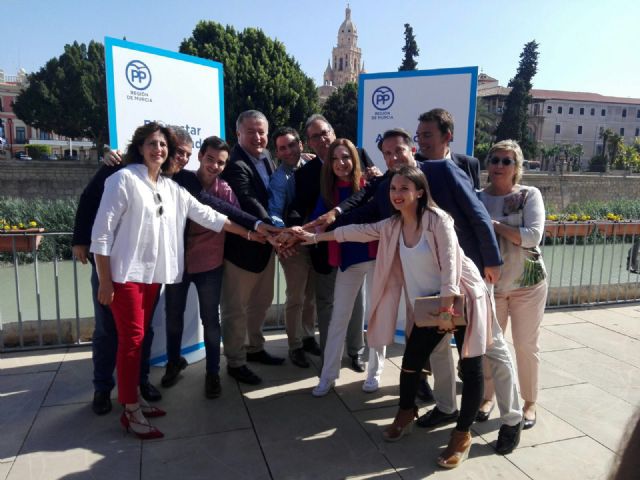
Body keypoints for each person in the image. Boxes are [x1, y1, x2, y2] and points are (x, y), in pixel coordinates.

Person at [314, 128, 523, 454]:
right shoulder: (390, 199)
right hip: (428, 297)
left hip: (462, 292)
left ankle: (512, 419)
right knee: (434, 354)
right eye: (387, 154)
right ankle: (444, 407)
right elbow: (360, 223)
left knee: (491, 353)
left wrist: (487, 265)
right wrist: (317, 232)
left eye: (399, 151)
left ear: (411, 150)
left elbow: (474, 218)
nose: (394, 158)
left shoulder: (439, 181)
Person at [294, 165, 490, 468]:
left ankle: (462, 434)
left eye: (404, 189)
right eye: (393, 189)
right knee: (411, 363)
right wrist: (317, 238)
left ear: (420, 192)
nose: (397, 194)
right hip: (429, 304)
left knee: (471, 364)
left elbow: (450, 264)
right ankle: (406, 411)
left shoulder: (438, 221)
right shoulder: (393, 225)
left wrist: (447, 307)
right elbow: (356, 232)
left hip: (461, 298)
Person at [90, 122, 260, 439]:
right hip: (124, 277)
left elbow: (210, 215)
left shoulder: (171, 188)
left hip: (152, 278)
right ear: (140, 147)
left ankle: (133, 399)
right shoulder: (123, 179)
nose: (159, 149)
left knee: (137, 342)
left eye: (164, 145)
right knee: (132, 343)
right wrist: (105, 281)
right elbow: (100, 235)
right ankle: (130, 411)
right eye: (153, 143)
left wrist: (253, 231)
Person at [162, 136, 251, 398]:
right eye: (210, 159)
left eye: (221, 163)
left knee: (211, 321)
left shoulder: (224, 190)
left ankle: (212, 373)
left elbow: (235, 218)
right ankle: (172, 363)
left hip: (210, 264)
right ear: (200, 156)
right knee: (173, 316)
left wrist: (261, 231)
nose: (214, 166)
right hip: (178, 262)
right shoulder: (179, 180)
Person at [285, 114, 370, 371]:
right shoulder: (306, 172)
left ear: (332, 132)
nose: (321, 139)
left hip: (357, 247)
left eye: (324, 133)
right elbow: (300, 208)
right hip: (324, 247)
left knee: (357, 302)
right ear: (309, 143)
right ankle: (329, 353)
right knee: (325, 302)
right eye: (314, 136)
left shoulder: (360, 155)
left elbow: (372, 192)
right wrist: (292, 229)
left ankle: (356, 351)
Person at [478, 139, 548, 431]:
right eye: (495, 159)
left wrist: (493, 225)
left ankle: (529, 402)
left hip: (527, 284)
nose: (499, 166)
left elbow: (532, 236)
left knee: (525, 345)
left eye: (507, 161)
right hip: (491, 286)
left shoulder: (530, 195)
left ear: (516, 167)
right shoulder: (478, 197)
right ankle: (487, 397)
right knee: (490, 346)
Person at [219, 110, 283, 386]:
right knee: (235, 309)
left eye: (262, 132)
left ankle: (254, 348)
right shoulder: (234, 163)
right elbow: (246, 199)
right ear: (238, 134)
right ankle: (236, 361)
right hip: (242, 249)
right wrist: (272, 227)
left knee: (261, 302)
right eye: (251, 132)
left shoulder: (267, 157)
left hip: (265, 247)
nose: (258, 137)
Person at [309, 139, 377, 396]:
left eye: (346, 157)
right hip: (348, 261)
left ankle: (375, 373)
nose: (341, 163)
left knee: (375, 317)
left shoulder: (369, 186)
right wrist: (291, 234)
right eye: (335, 159)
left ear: (354, 159)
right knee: (339, 318)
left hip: (373, 257)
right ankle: (328, 375)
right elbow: (317, 223)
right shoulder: (328, 191)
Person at [268, 127, 318, 368]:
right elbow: (275, 212)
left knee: (310, 297)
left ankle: (308, 337)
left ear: (301, 144)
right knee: (296, 297)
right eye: (282, 148)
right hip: (293, 244)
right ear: (277, 153)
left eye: (291, 145)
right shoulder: (280, 179)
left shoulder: (311, 162)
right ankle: (295, 346)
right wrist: (284, 236)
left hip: (315, 241)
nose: (288, 151)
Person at [414, 108, 481, 190]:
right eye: (418, 135)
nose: (421, 141)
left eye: (427, 135)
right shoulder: (413, 165)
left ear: (446, 136)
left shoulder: (469, 164)